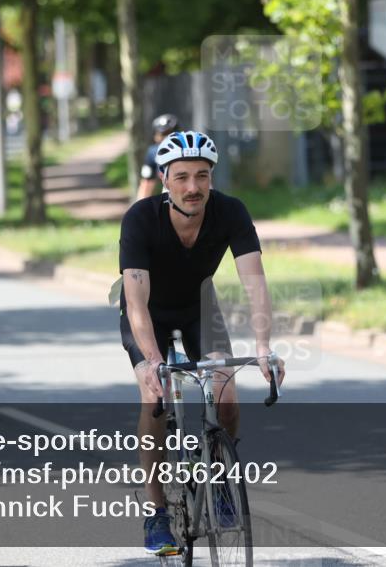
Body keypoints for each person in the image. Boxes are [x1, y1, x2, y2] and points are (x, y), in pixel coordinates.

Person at [118, 130, 285, 554]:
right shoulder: (140, 218)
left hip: (198, 307)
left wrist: (263, 347)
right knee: (153, 394)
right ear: (165, 179)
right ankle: (156, 510)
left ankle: (218, 474)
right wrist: (152, 361)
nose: (193, 187)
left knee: (226, 392)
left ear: (212, 176)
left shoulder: (230, 212)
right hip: (148, 313)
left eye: (202, 176)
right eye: (182, 177)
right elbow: (136, 302)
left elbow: (255, 283)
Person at [135, 114, 179, 201]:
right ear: (156, 137)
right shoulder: (153, 153)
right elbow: (146, 184)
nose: (166, 138)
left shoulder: (191, 151)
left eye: (170, 133)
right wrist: (139, 209)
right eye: (162, 134)